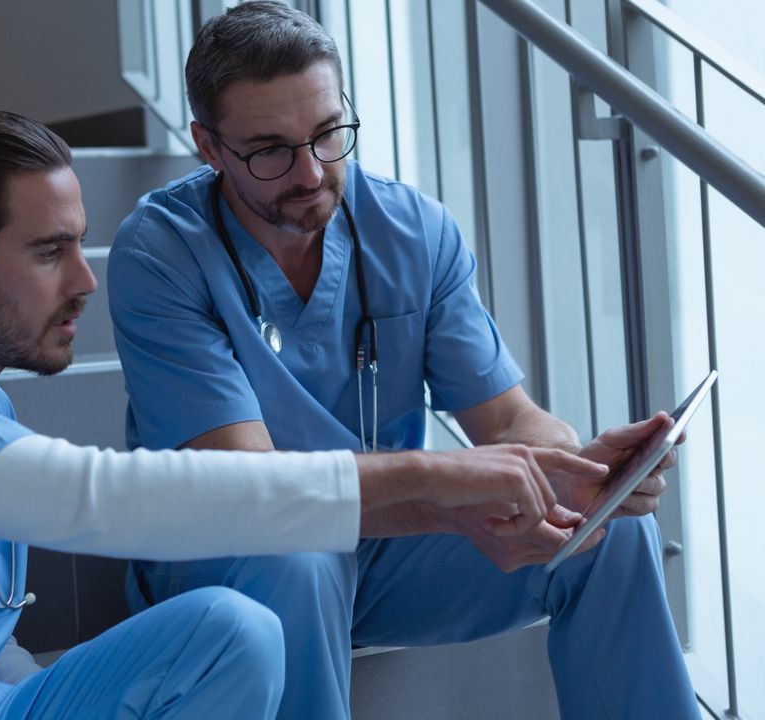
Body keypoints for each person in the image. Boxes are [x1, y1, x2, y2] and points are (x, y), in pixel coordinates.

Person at [0, 110, 599, 720]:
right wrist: (435, 477)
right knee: (245, 609)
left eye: (80, 246)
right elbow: (93, 497)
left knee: (229, 632)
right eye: (50, 253)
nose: (87, 281)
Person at [106, 3, 699, 718]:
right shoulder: (159, 252)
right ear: (207, 145)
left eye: (329, 134)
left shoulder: (413, 231)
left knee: (614, 532)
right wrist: (458, 501)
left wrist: (574, 475)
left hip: (383, 547)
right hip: (230, 559)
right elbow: (253, 489)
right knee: (301, 556)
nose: (312, 171)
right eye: (270, 150)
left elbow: (508, 417)